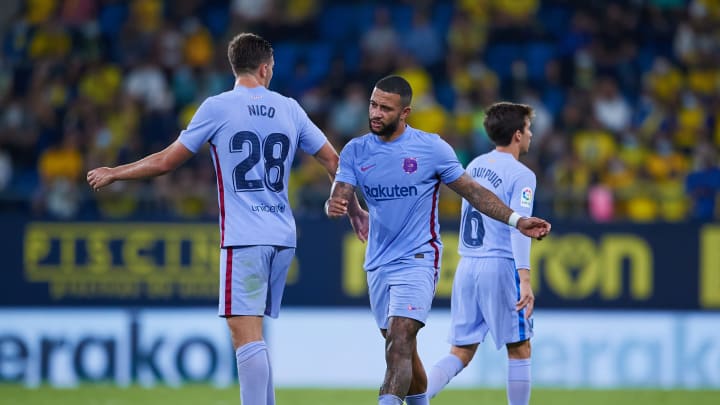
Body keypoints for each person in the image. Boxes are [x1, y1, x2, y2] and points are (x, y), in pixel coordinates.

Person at [87, 32, 368, 405]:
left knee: (244, 335)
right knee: (255, 333)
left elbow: (168, 161)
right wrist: (353, 207)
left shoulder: (218, 107)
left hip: (245, 235)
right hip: (283, 235)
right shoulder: (290, 108)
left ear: (235, 66)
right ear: (266, 68)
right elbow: (335, 161)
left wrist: (116, 172)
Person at [325, 76, 550, 405]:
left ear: (405, 113)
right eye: (373, 105)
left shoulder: (432, 148)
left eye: (384, 108)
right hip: (378, 262)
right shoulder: (357, 150)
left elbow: (473, 193)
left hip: (419, 259)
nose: (375, 113)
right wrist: (339, 204)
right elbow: (341, 189)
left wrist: (517, 220)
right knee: (400, 347)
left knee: (401, 337)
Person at [426, 102, 538, 405]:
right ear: (517, 134)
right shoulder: (522, 175)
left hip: (467, 266)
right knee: (520, 348)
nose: (530, 135)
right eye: (528, 129)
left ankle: (415, 397)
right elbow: (520, 227)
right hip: (499, 265)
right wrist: (524, 277)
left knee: (460, 352)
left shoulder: (475, 165)